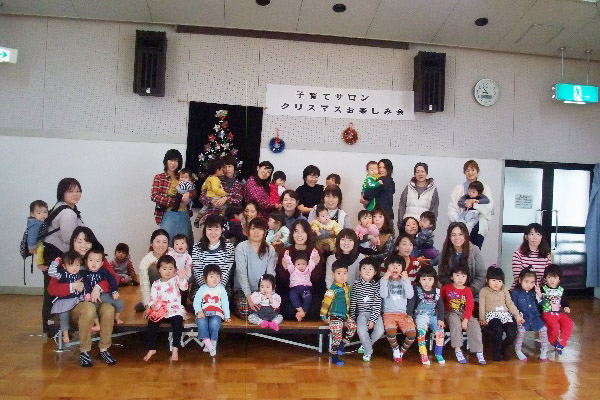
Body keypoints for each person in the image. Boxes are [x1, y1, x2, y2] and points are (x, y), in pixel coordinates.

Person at [47, 230, 118, 367]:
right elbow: (51, 289)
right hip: (73, 305)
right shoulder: (65, 261)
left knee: (108, 309)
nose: (83, 245)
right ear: (72, 242)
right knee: (88, 308)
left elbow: (114, 278)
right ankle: (84, 351)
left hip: (95, 301)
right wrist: (72, 286)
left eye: (87, 241)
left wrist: (98, 287)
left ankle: (104, 349)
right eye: (79, 241)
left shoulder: (97, 258)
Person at [41, 178, 85, 334]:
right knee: (55, 290)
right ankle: (54, 327)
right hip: (58, 256)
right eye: (70, 191)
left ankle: (53, 327)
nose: (75, 194)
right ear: (62, 193)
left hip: (52, 254)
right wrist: (83, 254)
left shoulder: (61, 207)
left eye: (78, 191)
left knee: (51, 290)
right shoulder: (67, 212)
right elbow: (69, 239)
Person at [275, 219, 325, 321]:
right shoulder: (285, 252)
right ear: (292, 234)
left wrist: (316, 266)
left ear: (308, 234)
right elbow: (282, 281)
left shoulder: (315, 252)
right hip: (291, 290)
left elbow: (318, 281)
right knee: (289, 312)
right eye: (296, 231)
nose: (299, 235)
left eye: (303, 231)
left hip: (310, 290)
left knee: (313, 312)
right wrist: (284, 268)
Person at [143, 255, 189, 362]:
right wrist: (152, 305)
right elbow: (152, 298)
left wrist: (182, 278)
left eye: (170, 269)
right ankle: (151, 348)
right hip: (160, 309)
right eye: (164, 269)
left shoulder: (176, 280)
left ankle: (175, 348)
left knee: (177, 322)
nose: (167, 272)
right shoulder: (156, 284)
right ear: (159, 270)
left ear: (175, 269)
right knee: (152, 323)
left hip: (174, 308)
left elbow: (184, 287)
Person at [440, 265, 486, 365]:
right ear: (452, 277)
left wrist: (466, 319)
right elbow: (439, 301)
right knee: (455, 323)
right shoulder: (446, 288)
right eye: (457, 275)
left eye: (463, 276)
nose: (460, 279)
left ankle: (478, 351)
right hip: (451, 312)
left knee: (474, 325)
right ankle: (457, 349)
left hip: (464, 313)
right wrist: (440, 316)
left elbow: (470, 306)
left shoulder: (467, 290)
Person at [233, 218, 277, 318]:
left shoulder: (270, 249)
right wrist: (249, 297)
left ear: (265, 232)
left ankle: (260, 315)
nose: (256, 232)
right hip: (243, 290)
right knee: (245, 310)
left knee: (274, 307)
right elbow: (241, 274)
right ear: (248, 231)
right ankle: (261, 315)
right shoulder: (241, 247)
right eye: (253, 229)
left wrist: (269, 295)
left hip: (264, 290)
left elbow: (271, 275)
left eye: (260, 229)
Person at [479, 266, 522, 361]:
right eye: (493, 280)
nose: (496, 283)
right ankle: (496, 352)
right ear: (487, 280)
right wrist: (482, 319)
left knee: (512, 332)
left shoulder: (504, 291)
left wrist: (517, 315)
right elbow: (481, 306)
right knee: (498, 330)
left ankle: (503, 349)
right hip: (491, 315)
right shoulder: (484, 291)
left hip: (505, 315)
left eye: (499, 281)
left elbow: (510, 304)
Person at [151, 149, 193, 246]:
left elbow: (193, 190)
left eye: (175, 161)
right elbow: (154, 196)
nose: (172, 163)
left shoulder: (182, 175)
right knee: (166, 242)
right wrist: (174, 201)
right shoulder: (159, 177)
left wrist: (189, 194)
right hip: (168, 213)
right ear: (166, 161)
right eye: (170, 160)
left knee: (185, 243)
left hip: (184, 213)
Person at [448, 160, 494, 249]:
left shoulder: (485, 188)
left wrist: (473, 204)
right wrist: (458, 223)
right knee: (459, 252)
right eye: (467, 170)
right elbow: (452, 208)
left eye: (473, 170)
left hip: (479, 225)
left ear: (477, 171)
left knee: (475, 251)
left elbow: (489, 207)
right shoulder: (459, 189)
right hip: (460, 225)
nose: (470, 173)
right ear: (464, 172)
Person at [380, 255, 416, 363]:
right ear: (387, 268)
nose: (395, 267)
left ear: (403, 269)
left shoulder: (405, 281)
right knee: (390, 332)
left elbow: (410, 295)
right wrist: (384, 279)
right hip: (388, 313)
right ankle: (395, 349)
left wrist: (406, 280)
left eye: (398, 265)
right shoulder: (384, 280)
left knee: (412, 334)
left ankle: (401, 352)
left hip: (402, 314)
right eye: (392, 265)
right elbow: (383, 294)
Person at [320, 261, 357, 366]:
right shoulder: (332, 290)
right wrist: (323, 316)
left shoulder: (348, 287)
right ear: (333, 275)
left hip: (345, 316)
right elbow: (325, 304)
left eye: (345, 273)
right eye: (339, 273)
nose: (342, 276)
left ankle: (342, 345)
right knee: (337, 335)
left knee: (353, 326)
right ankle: (334, 356)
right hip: (334, 317)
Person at [407, 265, 445, 365]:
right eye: (424, 279)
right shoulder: (416, 290)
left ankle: (438, 353)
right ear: (419, 280)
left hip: (433, 315)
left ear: (434, 280)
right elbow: (411, 303)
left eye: (430, 279)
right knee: (421, 333)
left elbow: (440, 306)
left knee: (440, 332)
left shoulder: (437, 291)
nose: (427, 282)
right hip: (420, 315)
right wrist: (409, 315)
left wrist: (441, 319)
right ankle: (423, 354)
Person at [190, 214, 235, 300]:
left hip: (221, 285)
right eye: (210, 229)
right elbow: (198, 272)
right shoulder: (197, 248)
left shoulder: (229, 247)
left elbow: (226, 272)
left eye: (216, 229)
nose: (213, 233)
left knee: (223, 300)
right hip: (202, 285)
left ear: (221, 230)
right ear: (205, 230)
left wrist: (216, 290)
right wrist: (207, 290)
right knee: (199, 300)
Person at [437, 222, 487, 297]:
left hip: (472, 293)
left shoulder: (474, 250)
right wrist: (453, 290)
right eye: (454, 235)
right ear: (449, 237)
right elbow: (442, 275)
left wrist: (468, 291)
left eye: (460, 234)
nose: (457, 238)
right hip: (451, 293)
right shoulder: (444, 252)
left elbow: (481, 275)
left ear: (465, 236)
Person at [511, 267, 549, 362]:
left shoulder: (534, 292)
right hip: (522, 317)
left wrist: (539, 294)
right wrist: (517, 316)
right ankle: (518, 349)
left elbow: (542, 303)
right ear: (520, 280)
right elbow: (513, 307)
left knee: (543, 329)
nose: (529, 285)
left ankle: (544, 349)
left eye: (532, 282)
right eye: (526, 282)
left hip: (534, 317)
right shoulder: (516, 293)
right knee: (521, 330)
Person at [350, 258, 384, 362]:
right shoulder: (356, 284)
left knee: (380, 331)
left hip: (375, 313)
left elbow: (377, 303)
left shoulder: (377, 286)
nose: (367, 271)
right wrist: (352, 317)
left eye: (370, 269)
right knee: (361, 331)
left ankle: (365, 345)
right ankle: (368, 351)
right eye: (364, 268)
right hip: (361, 314)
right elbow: (353, 301)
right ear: (360, 272)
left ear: (375, 272)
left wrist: (373, 319)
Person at [196, 155, 244, 226]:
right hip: (211, 217)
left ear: (234, 167)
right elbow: (202, 197)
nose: (227, 169)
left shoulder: (239, 185)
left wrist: (226, 198)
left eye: (230, 166)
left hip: (229, 221)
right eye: (224, 167)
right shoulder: (213, 179)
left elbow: (238, 201)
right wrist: (211, 200)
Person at [194, 264, 230, 357]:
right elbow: (196, 302)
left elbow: (225, 302)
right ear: (204, 278)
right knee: (201, 322)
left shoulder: (221, 288)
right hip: (203, 313)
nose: (215, 279)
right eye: (211, 276)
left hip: (216, 313)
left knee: (214, 323)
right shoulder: (202, 288)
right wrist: (198, 311)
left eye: (217, 276)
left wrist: (227, 315)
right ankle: (208, 344)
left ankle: (212, 342)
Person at [83, 245, 124, 326]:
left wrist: (114, 291)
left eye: (97, 261)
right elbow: (86, 285)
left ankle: (116, 318)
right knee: (91, 309)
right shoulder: (86, 274)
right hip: (93, 298)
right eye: (91, 260)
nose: (94, 263)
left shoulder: (104, 271)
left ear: (102, 263)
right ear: (86, 261)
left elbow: (112, 280)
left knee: (120, 303)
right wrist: (87, 293)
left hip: (105, 295)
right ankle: (97, 325)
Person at [50, 251, 84, 344]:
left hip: (77, 299)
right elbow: (51, 272)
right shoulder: (62, 274)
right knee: (64, 314)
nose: (75, 268)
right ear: (64, 266)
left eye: (77, 265)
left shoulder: (80, 274)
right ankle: (65, 334)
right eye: (71, 265)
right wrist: (55, 262)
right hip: (65, 300)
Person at [541, 264, 573, 356]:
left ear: (559, 279)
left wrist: (566, 306)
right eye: (549, 277)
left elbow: (564, 301)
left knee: (569, 323)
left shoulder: (560, 290)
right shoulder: (543, 289)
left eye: (554, 278)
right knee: (555, 326)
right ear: (545, 278)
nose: (552, 280)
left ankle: (561, 342)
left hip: (558, 313)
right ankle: (554, 342)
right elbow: (539, 301)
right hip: (547, 313)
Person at [511, 223, 552, 290]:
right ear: (526, 237)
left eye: (538, 234)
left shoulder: (546, 255)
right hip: (521, 290)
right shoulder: (518, 254)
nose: (535, 238)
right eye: (532, 234)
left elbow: (547, 277)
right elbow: (518, 278)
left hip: (539, 290)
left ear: (542, 237)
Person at [139, 229, 171, 310]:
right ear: (151, 244)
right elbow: (145, 285)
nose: (161, 245)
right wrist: (147, 305)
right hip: (156, 294)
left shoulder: (173, 254)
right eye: (158, 242)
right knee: (153, 268)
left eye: (164, 242)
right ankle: (149, 303)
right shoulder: (146, 261)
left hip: (173, 293)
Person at [282, 248, 318, 321]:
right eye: (298, 264)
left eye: (303, 264)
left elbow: (312, 262)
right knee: (292, 296)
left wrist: (314, 253)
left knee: (308, 298)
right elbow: (288, 263)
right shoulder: (293, 269)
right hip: (295, 289)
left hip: (306, 288)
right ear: (295, 264)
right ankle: (300, 311)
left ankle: (303, 312)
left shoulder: (308, 269)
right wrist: (286, 256)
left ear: (307, 264)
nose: (301, 266)